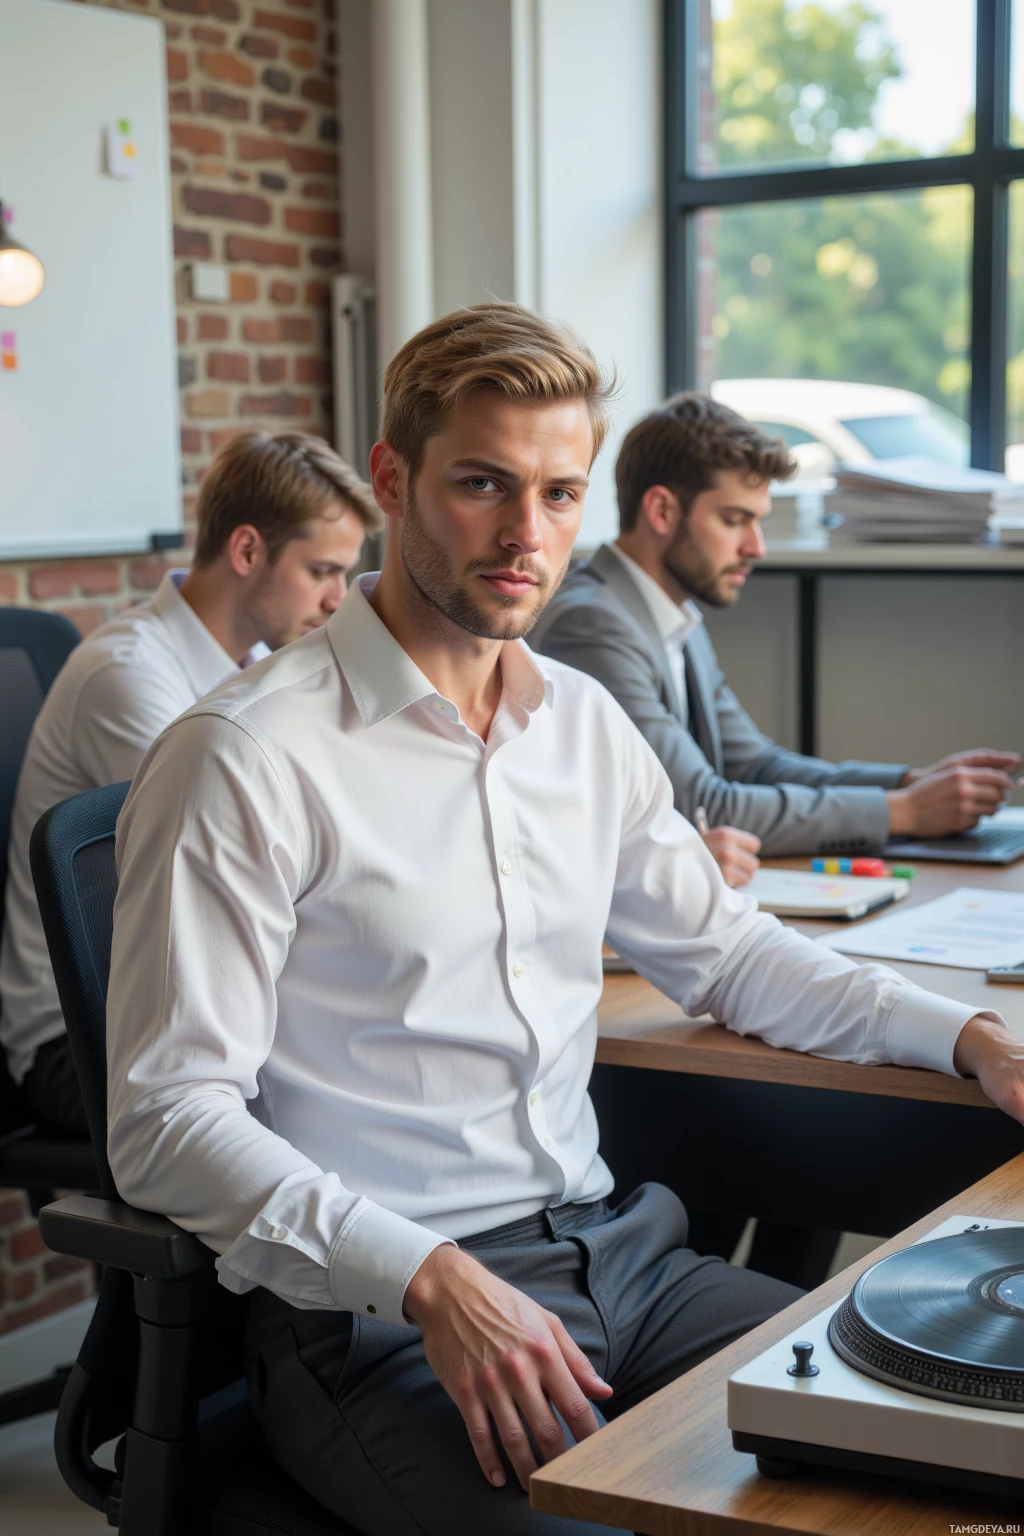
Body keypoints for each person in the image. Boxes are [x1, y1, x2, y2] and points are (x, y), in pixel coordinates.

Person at [105, 305, 1024, 1536]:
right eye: (481, 485)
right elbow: (167, 1121)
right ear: (392, 481)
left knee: (948, 1449)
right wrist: (427, 1280)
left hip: (620, 1261)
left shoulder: (580, 723)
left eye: (556, 493)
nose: (523, 534)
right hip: (380, 1316)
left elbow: (731, 953)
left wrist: (972, 1038)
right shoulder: (243, 755)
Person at [0, 429, 379, 1137]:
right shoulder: (130, 678)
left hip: (189, 1004)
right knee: (333, 1113)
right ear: (245, 552)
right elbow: (225, 873)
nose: (338, 600)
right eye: (323, 571)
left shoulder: (265, 669)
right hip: (83, 1039)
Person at [531, 393, 1021, 873]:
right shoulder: (594, 624)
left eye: (757, 523)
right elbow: (701, 807)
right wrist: (907, 811)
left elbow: (756, 764)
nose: (756, 548)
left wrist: (908, 782)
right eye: (734, 520)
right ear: (661, 511)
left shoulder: (670, 614)